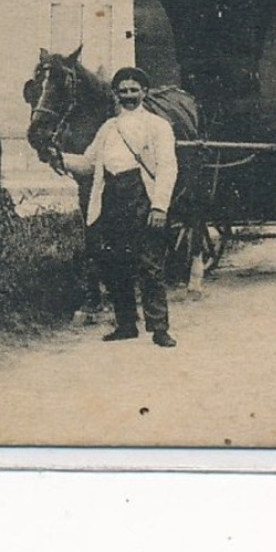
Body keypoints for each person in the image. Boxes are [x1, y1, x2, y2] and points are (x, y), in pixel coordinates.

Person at [61, 67, 179, 347]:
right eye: (123, 91)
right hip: (111, 200)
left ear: (144, 92)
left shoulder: (158, 126)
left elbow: (167, 168)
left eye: (133, 90)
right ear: (116, 94)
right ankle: (126, 324)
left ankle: (159, 328)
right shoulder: (108, 128)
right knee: (115, 264)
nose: (128, 95)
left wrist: (159, 207)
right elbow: (89, 164)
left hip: (141, 197)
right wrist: (59, 158)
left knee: (150, 265)